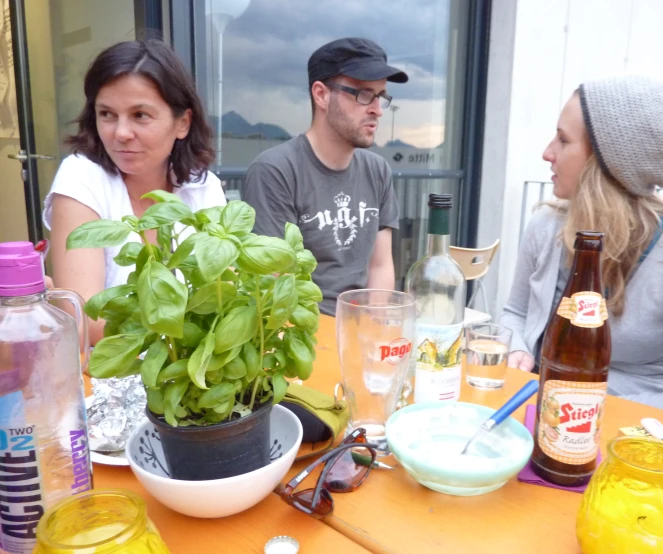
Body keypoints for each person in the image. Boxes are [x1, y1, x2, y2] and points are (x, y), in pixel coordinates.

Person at [501, 74, 663, 423]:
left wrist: (575, 411)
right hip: (528, 413)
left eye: (563, 140)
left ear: (606, 164)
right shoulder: (545, 226)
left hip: (629, 442)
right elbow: (515, 313)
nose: (547, 152)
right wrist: (516, 347)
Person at [44, 40, 226, 345]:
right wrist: (198, 319)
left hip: (195, 373)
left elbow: (228, 286)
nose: (121, 133)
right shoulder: (82, 178)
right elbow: (85, 318)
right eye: (107, 114)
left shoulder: (201, 186)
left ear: (182, 122)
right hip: (110, 377)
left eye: (140, 115)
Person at [244, 38, 407, 315]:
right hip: (303, 335)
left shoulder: (377, 170)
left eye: (380, 96)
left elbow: (380, 265)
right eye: (364, 94)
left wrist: (371, 329)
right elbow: (274, 285)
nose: (377, 110)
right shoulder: (276, 171)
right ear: (321, 95)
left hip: (361, 331)